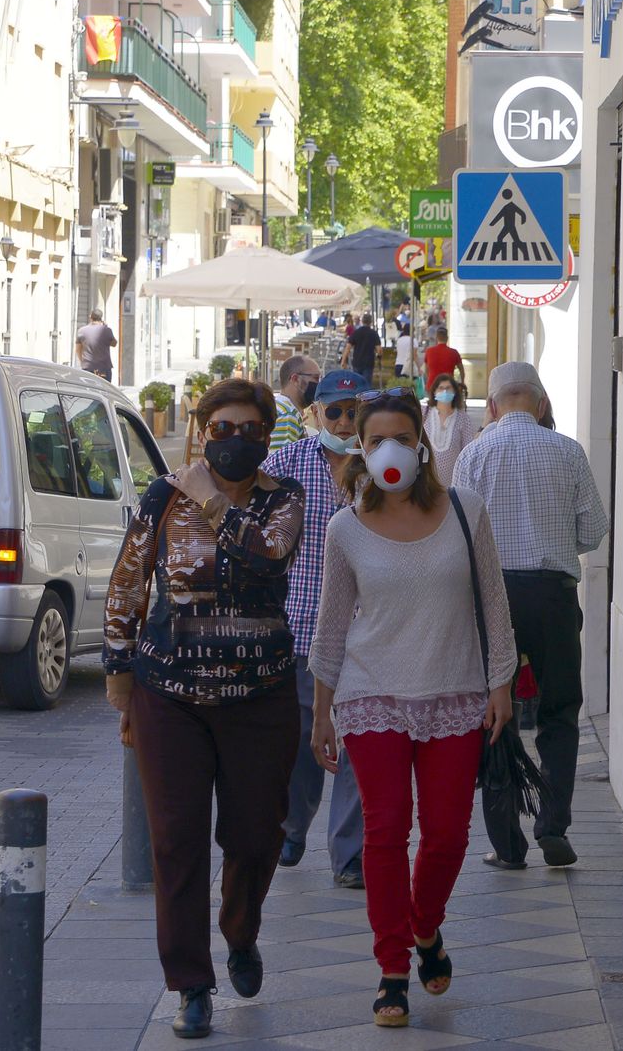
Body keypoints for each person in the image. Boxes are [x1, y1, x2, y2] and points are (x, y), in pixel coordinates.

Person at [103, 379, 305, 1040]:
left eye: (250, 429)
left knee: (256, 835)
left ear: (267, 435)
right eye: (221, 429)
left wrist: (211, 498)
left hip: (260, 694)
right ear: (201, 432)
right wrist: (120, 672)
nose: (235, 440)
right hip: (171, 695)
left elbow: (264, 557)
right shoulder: (163, 497)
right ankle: (191, 982)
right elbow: (129, 579)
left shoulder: (285, 500)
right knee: (176, 842)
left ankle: (240, 932)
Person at [310, 388, 515, 1028]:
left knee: (450, 832)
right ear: (360, 449)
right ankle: (392, 969)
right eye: (375, 441)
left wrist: (501, 683)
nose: (388, 449)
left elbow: (494, 601)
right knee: (385, 827)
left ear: (421, 443)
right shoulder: (344, 527)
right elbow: (332, 624)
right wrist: (321, 711)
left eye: (401, 436)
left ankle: (426, 929)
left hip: (455, 691)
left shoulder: (465, 510)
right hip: (371, 695)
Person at [453, 361, 607, 870]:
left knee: (493, 715)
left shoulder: (473, 456)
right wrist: (557, 544)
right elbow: (593, 530)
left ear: (492, 406)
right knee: (560, 712)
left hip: (494, 595)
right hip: (554, 595)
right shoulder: (568, 451)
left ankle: (506, 843)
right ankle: (553, 826)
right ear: (541, 404)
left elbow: (460, 539)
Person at [262, 369, 369, 889]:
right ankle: (292, 825)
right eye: (336, 412)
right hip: (302, 628)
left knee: (360, 742)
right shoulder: (287, 462)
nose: (346, 422)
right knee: (306, 735)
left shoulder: (383, 468)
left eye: (354, 412)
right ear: (316, 413)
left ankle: (350, 855)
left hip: (370, 632)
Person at [423, 374, 478, 485]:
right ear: (434, 392)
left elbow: (468, 449)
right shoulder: (424, 413)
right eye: (441, 388)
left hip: (453, 483)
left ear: (454, 392)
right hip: (427, 481)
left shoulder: (463, 418)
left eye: (448, 388)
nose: (445, 391)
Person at [271, 355, 321, 451]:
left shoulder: (281, 408)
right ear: (295, 379)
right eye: (316, 378)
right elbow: (281, 463)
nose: (319, 384)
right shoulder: (288, 415)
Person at [76, 311, 118, 381]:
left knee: (89, 390)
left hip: (88, 368)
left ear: (90, 317)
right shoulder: (106, 330)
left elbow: (78, 349)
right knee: (104, 390)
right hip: (104, 368)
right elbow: (114, 344)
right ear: (101, 318)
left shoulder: (81, 331)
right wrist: (105, 327)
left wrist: (82, 362)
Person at [342, 313, 383, 383]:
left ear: (362, 321)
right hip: (368, 363)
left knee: (357, 384)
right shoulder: (374, 333)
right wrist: (379, 356)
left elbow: (348, 348)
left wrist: (343, 361)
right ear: (371, 322)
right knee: (366, 385)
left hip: (357, 362)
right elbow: (379, 350)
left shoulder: (356, 332)